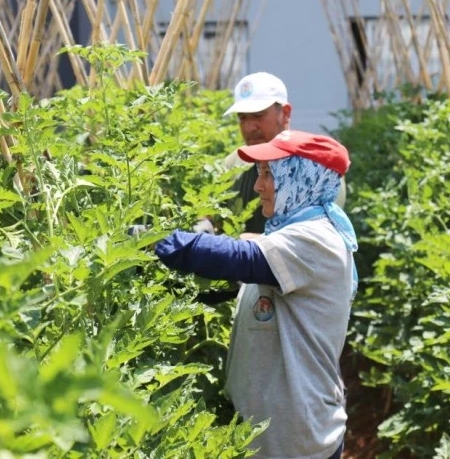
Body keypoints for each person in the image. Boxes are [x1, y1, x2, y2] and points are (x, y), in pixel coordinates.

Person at [153, 130, 357, 459]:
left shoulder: (316, 239)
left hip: (295, 440)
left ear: (302, 178)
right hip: (270, 434)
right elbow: (240, 282)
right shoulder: (285, 235)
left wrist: (157, 241)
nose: (258, 185)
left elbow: (240, 260)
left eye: (267, 174)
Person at [222, 72, 345, 234]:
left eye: (258, 116)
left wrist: (247, 245)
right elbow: (210, 216)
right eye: (242, 118)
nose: (249, 127)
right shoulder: (232, 164)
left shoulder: (315, 166)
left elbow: (314, 237)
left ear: (285, 113)